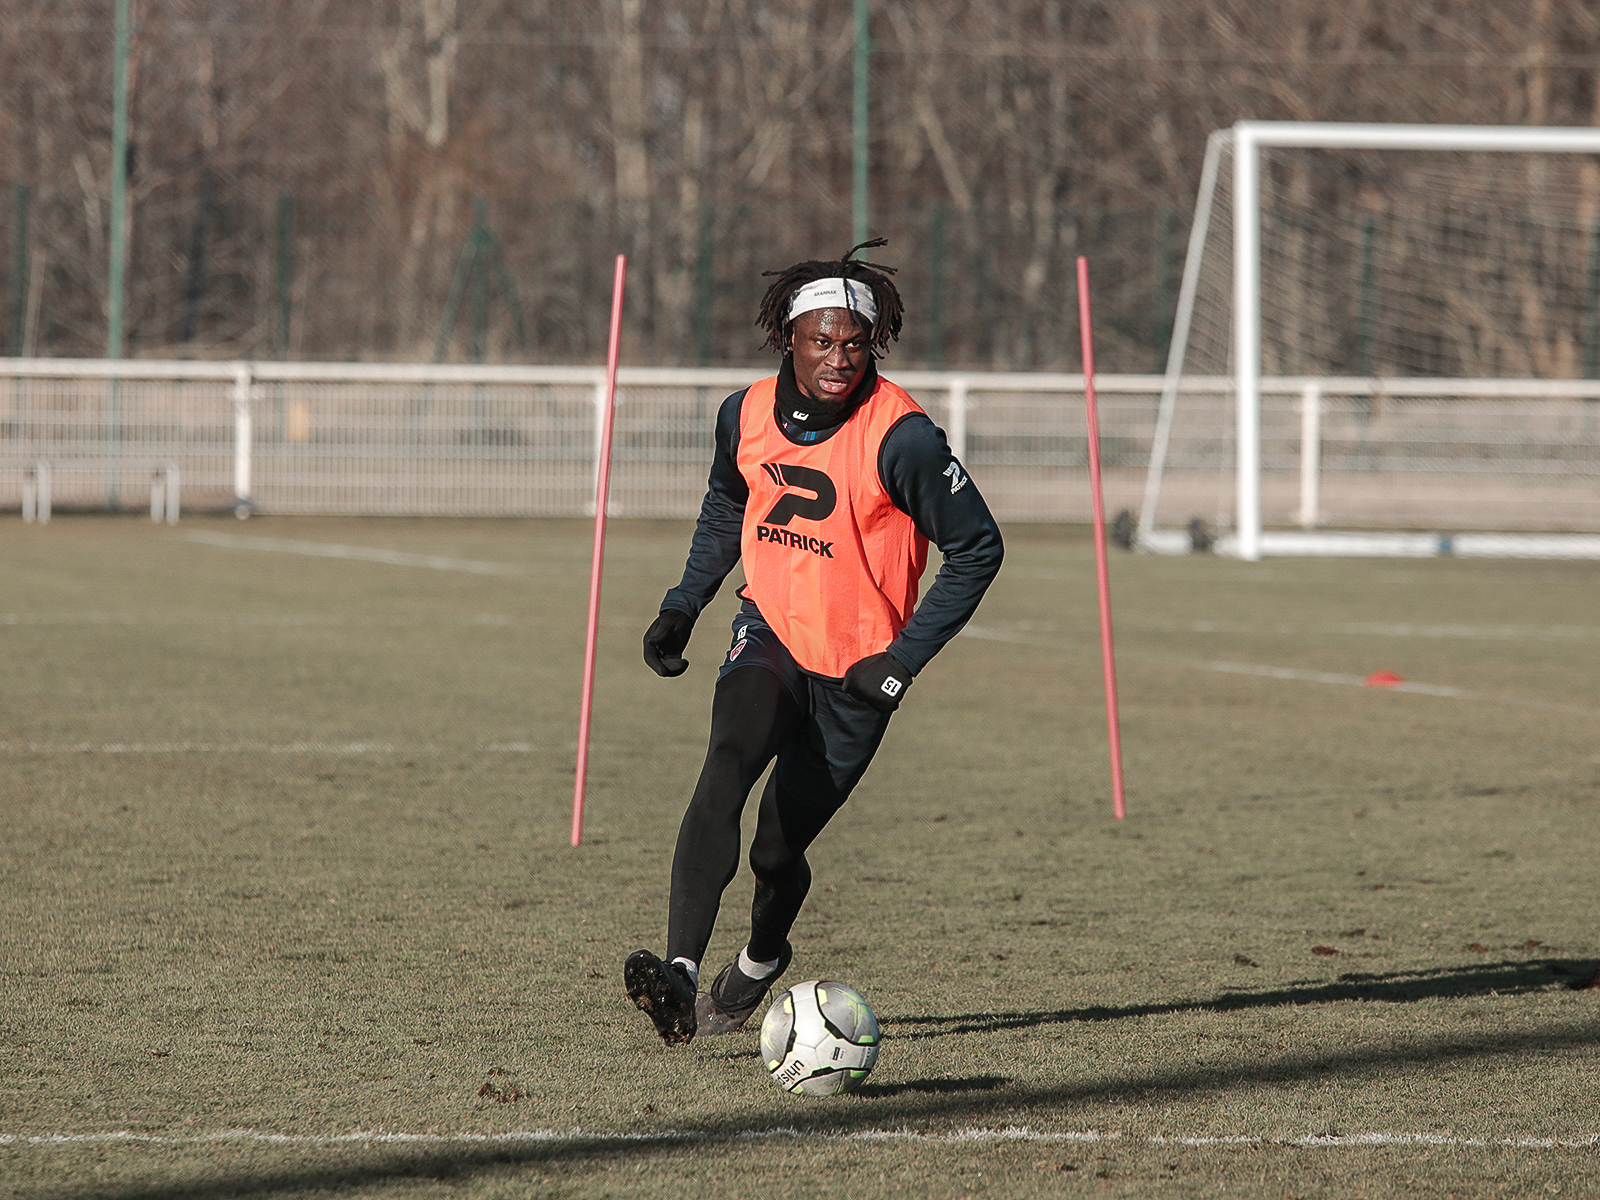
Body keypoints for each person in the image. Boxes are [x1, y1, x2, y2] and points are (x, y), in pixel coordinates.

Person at [624, 239, 1004, 1045]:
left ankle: (761, 960)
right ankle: (681, 977)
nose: (839, 358)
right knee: (725, 762)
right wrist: (683, 603)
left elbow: (979, 548)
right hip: (770, 631)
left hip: (857, 672)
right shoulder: (743, 413)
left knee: (775, 849)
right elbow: (729, 506)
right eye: (822, 341)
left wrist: (900, 661)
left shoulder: (902, 438)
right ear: (787, 338)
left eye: (854, 343)